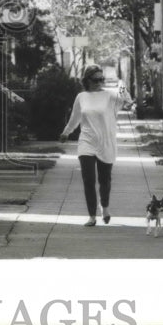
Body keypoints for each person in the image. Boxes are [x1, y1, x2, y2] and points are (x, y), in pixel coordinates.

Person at [59, 64, 132, 226]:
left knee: (105, 180)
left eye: (102, 79)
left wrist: (122, 85)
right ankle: (92, 216)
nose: (99, 82)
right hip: (87, 142)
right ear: (87, 80)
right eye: (95, 79)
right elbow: (75, 118)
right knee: (88, 179)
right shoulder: (81, 97)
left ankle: (104, 207)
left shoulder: (111, 96)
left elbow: (128, 101)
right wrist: (66, 132)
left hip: (106, 142)